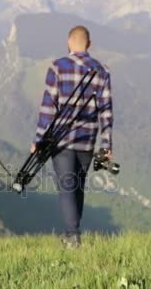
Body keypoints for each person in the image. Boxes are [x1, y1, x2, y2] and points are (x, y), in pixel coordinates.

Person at [31, 25, 114, 249]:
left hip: (61, 139)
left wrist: (39, 140)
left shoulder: (58, 67)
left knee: (67, 186)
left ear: (69, 43)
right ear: (89, 43)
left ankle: (72, 235)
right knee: (77, 186)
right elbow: (106, 110)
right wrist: (106, 145)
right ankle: (73, 233)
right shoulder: (101, 71)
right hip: (87, 140)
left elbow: (48, 107)